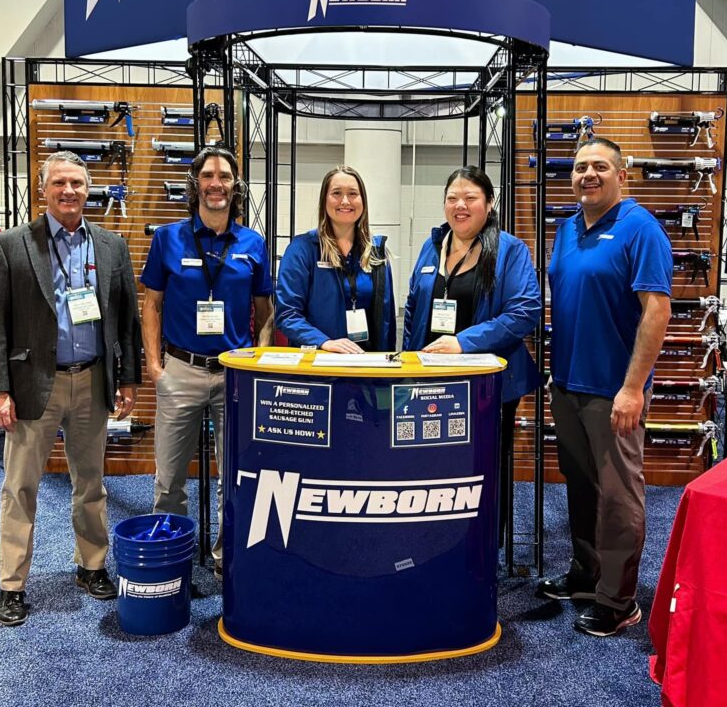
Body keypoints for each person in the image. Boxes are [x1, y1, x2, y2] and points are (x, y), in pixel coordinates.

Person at [0, 151, 141, 627]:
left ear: (88, 189)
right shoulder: (10, 246)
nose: (69, 191)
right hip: (33, 384)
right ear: (43, 188)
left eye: (77, 183)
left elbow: (126, 322)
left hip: (92, 380)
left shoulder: (111, 246)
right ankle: (12, 585)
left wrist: (127, 378)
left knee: (90, 483)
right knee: (20, 486)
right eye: (59, 184)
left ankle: (91, 566)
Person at [539, 137, 672, 638]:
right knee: (581, 485)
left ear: (622, 174)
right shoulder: (567, 228)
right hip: (569, 384)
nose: (587, 174)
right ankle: (586, 574)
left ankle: (619, 601)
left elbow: (657, 310)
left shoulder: (641, 229)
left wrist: (634, 388)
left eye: (599, 166)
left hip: (615, 391)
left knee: (619, 496)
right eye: (579, 167)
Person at [141, 146, 273, 578]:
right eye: (209, 175)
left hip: (234, 373)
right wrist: (156, 367)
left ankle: (224, 555)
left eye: (225, 176)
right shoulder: (168, 237)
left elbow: (265, 311)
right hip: (180, 369)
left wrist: (259, 359)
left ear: (236, 186)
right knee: (169, 477)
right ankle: (170, 556)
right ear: (196, 183)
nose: (217, 183)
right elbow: (152, 304)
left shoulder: (253, 243)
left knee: (233, 473)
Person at [402, 166, 541, 539]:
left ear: (489, 203)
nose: (459, 205)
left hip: (486, 384)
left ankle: (483, 544)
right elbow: (414, 307)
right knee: (431, 464)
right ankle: (434, 539)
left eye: (470, 198)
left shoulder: (510, 250)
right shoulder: (433, 246)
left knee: (483, 464)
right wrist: (407, 362)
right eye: (452, 198)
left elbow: (525, 311)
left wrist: (464, 343)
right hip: (430, 378)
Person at [276, 166, 396, 352]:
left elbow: (386, 319)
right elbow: (287, 314)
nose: (345, 201)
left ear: (363, 201)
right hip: (318, 362)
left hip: (364, 364)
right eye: (337, 193)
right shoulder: (302, 250)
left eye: (353, 193)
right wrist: (324, 342)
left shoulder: (376, 253)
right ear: (324, 200)